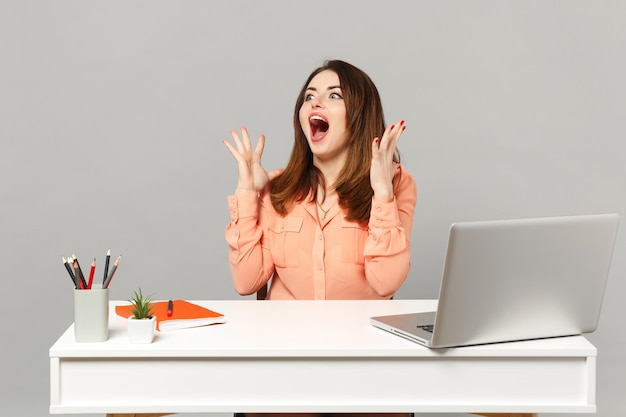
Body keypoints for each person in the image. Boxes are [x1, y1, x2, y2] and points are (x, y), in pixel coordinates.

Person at [224, 60, 417, 302]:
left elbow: (386, 283)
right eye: (309, 96)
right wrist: (247, 192)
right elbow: (246, 282)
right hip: (286, 336)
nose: (315, 102)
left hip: (358, 337)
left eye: (335, 95)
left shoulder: (396, 182)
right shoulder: (279, 188)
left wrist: (382, 194)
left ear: (360, 115)